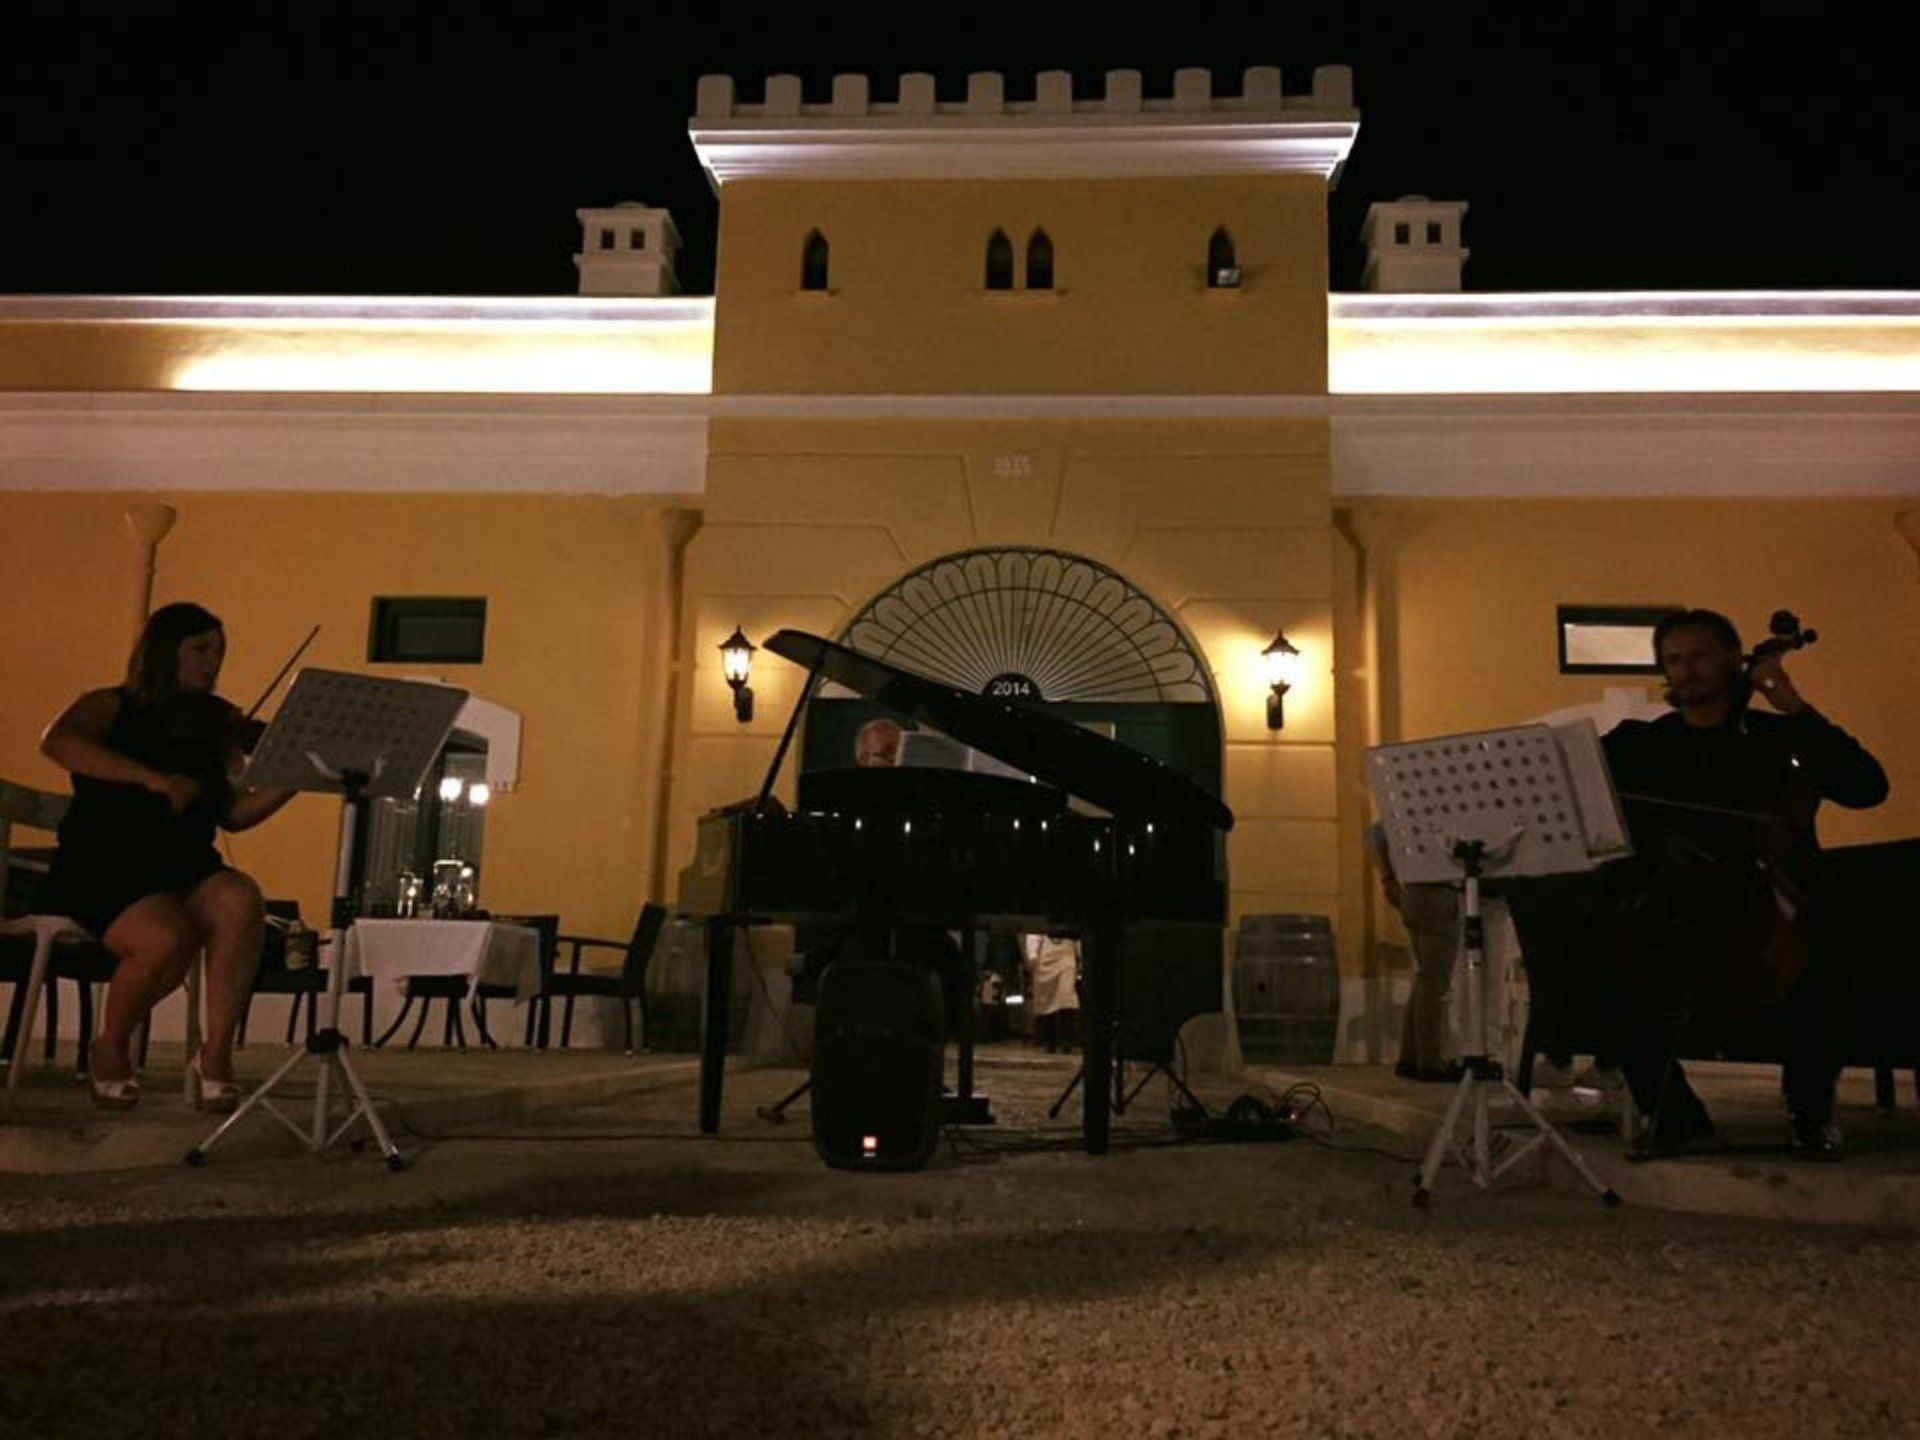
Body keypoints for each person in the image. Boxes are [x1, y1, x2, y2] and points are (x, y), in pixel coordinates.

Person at [1602, 608, 1888, 1157]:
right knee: (1600, 947)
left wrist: (1793, 705)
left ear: (1735, 660)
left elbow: (1867, 787)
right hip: (1674, 901)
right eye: (1675, 660)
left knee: (1829, 952)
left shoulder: (1781, 735)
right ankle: (1676, 1115)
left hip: (1767, 903)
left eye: (1701, 655)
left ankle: (1810, 1111)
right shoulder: (1642, 743)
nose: (1687, 670)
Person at [38, 602, 296, 1111]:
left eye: (220, 651)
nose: (212, 662)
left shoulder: (216, 724)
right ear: (164, 649)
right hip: (106, 862)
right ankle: (111, 1047)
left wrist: (297, 779)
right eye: (200, 649)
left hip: (184, 865)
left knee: (241, 900)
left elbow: (234, 815)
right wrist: (153, 779)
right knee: (166, 938)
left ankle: (216, 1053)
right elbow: (58, 743)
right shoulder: (110, 705)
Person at [1365, 821, 1460, 1081]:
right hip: (1439, 892)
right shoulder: (1446, 809)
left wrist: (1387, 876)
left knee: (1423, 977)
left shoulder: (1407, 809)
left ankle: (1409, 1057)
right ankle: (1430, 1061)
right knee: (1435, 979)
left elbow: (1374, 835)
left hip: (1411, 891)